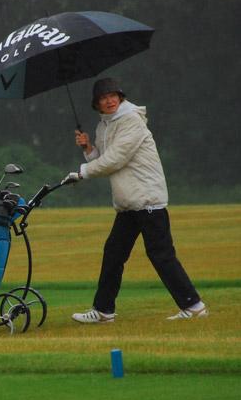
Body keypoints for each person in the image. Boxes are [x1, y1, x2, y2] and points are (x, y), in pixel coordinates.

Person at [64, 78, 207, 323]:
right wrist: (88, 148)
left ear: (120, 97)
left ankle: (194, 306)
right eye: (103, 98)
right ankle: (103, 310)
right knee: (113, 253)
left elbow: (116, 159)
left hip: (148, 200)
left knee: (160, 255)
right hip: (129, 203)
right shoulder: (103, 127)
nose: (109, 101)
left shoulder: (132, 120)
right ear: (97, 104)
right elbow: (103, 160)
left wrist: (82, 173)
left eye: (113, 96)